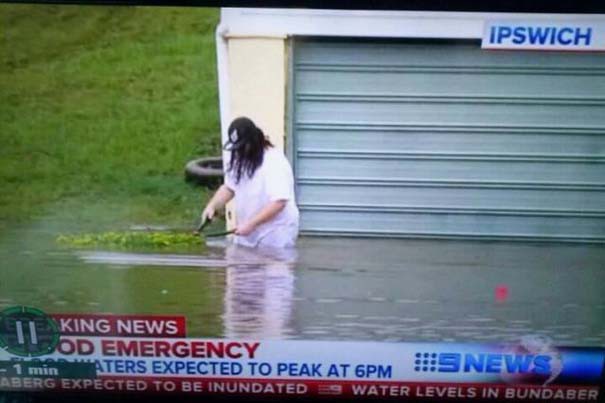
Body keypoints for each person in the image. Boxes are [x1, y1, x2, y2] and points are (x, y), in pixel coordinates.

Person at [201, 117, 299, 249]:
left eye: (242, 147)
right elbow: (229, 187)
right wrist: (212, 206)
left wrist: (251, 224)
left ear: (254, 141)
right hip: (248, 230)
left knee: (273, 265)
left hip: (275, 231)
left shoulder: (274, 162)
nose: (239, 152)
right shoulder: (239, 159)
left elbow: (279, 202)